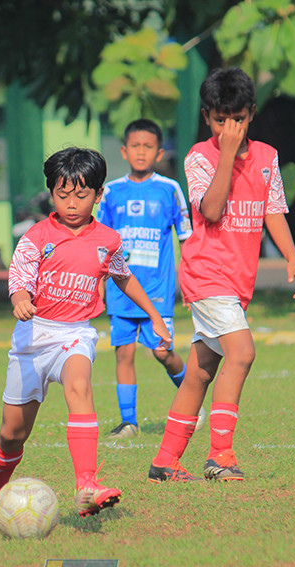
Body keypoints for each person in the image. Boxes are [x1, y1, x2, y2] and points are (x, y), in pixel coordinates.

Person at [0, 147, 172, 529]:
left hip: (75, 333)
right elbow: (19, 277)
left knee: (80, 387)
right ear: (50, 192)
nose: (71, 203)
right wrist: (22, 298)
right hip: (32, 338)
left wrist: (155, 315)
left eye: (81, 195)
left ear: (98, 194)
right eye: (62, 194)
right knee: (13, 434)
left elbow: (122, 276)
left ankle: (86, 486)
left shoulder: (107, 239)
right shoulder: (36, 237)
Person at [148, 68, 295, 483]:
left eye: (237, 120)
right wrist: (226, 156)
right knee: (242, 353)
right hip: (207, 275)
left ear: (251, 114)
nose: (229, 128)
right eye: (221, 120)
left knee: (201, 370)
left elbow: (273, 210)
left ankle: (165, 460)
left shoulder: (268, 157)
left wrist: (292, 257)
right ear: (207, 118)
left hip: (237, 282)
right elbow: (213, 209)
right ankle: (220, 455)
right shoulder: (199, 157)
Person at [98, 118, 200, 439]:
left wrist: (190, 281)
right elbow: (100, 243)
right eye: (135, 146)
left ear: (159, 152)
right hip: (120, 290)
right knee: (124, 353)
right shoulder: (111, 192)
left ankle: (192, 403)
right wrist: (99, 284)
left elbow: (186, 239)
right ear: (124, 151)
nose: (141, 152)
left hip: (157, 289)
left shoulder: (169, 190)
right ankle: (129, 423)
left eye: (149, 146)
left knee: (162, 353)